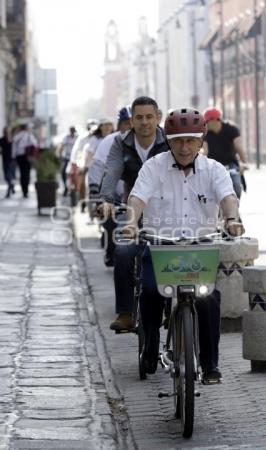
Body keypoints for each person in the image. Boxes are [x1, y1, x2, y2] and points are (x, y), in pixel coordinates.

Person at [122, 107, 245, 383]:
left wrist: (232, 219)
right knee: (152, 292)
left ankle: (210, 364)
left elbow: (228, 198)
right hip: (160, 246)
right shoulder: (154, 167)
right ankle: (150, 342)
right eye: (178, 140)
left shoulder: (214, 170)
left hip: (199, 248)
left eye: (191, 140)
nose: (185, 147)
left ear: (201, 141)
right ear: (168, 141)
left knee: (209, 299)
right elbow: (138, 198)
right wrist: (131, 223)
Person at [99, 96, 170, 331]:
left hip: (166, 210)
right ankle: (126, 312)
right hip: (131, 209)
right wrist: (107, 200)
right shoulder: (121, 143)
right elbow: (111, 171)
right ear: (132, 120)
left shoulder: (169, 141)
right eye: (139, 117)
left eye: (150, 117)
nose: (145, 122)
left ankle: (174, 306)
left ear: (158, 118)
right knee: (122, 250)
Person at [88, 106, 132, 266]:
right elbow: (98, 165)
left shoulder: (152, 141)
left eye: (135, 121)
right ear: (120, 124)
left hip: (140, 195)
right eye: (127, 123)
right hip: (114, 195)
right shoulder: (109, 142)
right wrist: (94, 190)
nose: (131, 126)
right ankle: (110, 249)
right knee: (110, 223)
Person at [202, 107, 248, 199]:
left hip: (230, 163)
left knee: (236, 184)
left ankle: (235, 206)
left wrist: (244, 163)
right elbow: (205, 151)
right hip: (213, 165)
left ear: (214, 120)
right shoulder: (205, 132)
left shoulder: (231, 129)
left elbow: (239, 147)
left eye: (206, 122)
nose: (205, 124)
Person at [12, 123, 38, 198]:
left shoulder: (17, 136)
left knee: (22, 173)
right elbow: (35, 144)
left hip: (19, 157)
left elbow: (14, 148)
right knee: (27, 173)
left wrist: (13, 157)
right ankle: (25, 191)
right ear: (26, 128)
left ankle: (24, 190)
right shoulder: (29, 135)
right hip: (27, 156)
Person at [58, 126, 77, 196]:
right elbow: (61, 147)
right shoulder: (66, 138)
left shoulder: (77, 138)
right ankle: (66, 187)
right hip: (66, 158)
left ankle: (75, 187)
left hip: (75, 159)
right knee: (63, 172)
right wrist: (60, 156)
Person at [0, 127, 15, 198]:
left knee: (8, 175)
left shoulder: (11, 139)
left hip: (9, 160)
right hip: (7, 159)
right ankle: (11, 185)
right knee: (8, 175)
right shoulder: (3, 140)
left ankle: (9, 189)